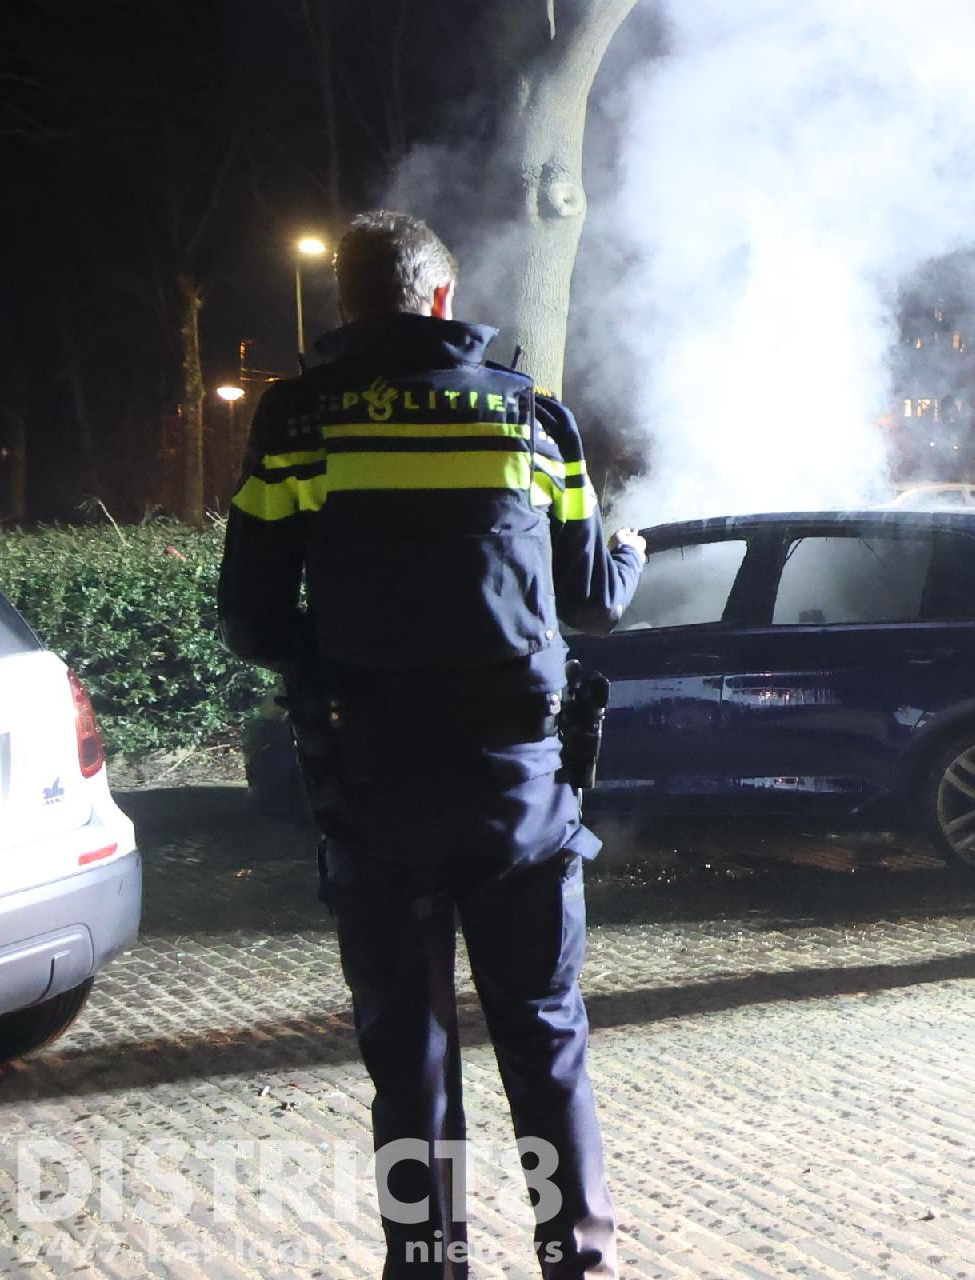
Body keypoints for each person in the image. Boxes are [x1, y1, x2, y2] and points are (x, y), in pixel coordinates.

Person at [218, 211, 642, 1279]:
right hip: (518, 793)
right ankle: (575, 1260)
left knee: (407, 1062)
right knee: (545, 1040)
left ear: (350, 304)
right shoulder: (531, 419)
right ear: (443, 298)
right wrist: (626, 553)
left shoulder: (301, 421)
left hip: (372, 787)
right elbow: (591, 599)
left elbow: (254, 621)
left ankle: (426, 1264)